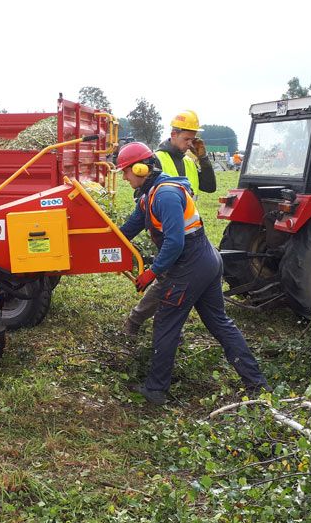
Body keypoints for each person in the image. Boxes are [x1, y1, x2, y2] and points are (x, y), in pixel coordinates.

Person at [115, 141, 270, 405]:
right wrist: (104, 241)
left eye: (126, 171)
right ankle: (256, 384)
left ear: (141, 168)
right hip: (203, 261)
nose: (124, 177)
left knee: (166, 323)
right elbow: (127, 230)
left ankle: (155, 390)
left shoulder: (164, 195)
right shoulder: (149, 195)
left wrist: (152, 272)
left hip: (191, 263)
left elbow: (175, 243)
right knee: (220, 323)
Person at [123, 110, 216, 336]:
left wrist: (203, 158)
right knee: (169, 279)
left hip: (185, 234)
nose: (190, 144)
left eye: (193, 140)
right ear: (173, 134)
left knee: (170, 282)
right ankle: (147, 323)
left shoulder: (189, 162)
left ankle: (153, 325)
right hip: (164, 229)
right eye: (186, 139)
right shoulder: (156, 160)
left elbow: (210, 186)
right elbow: (141, 212)